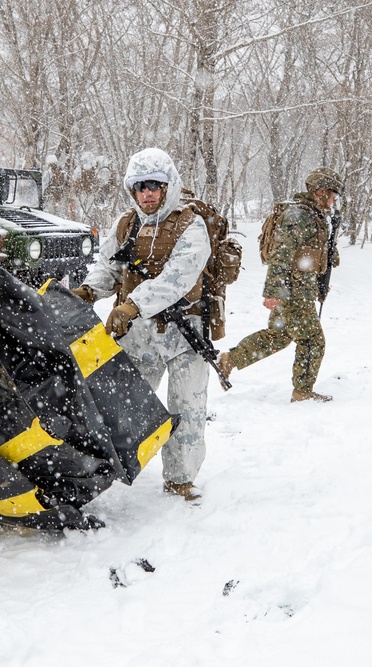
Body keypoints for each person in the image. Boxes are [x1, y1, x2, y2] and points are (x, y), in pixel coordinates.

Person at [71, 147, 212, 503]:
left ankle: (180, 479)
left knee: (187, 409)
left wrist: (133, 305)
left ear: (168, 186)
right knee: (122, 408)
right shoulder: (126, 224)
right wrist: (89, 290)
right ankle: (105, 472)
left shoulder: (190, 224)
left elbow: (178, 278)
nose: (147, 194)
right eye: (139, 187)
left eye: (155, 185)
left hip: (184, 333)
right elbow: (109, 267)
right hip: (138, 336)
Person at [218, 167, 344, 402]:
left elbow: (311, 254)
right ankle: (302, 393)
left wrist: (319, 280)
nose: (334, 199)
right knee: (313, 340)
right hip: (293, 292)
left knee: (279, 336)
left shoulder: (314, 215)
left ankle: (230, 359)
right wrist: (273, 292)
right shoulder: (300, 216)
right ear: (320, 191)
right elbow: (281, 255)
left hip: (300, 289)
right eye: (332, 194)